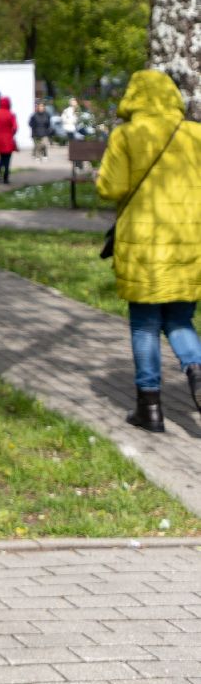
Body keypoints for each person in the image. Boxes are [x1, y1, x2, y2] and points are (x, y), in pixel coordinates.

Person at [96, 70, 201, 434]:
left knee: (144, 325)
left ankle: (150, 409)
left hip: (141, 246)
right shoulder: (195, 134)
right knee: (179, 320)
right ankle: (196, 368)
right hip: (188, 243)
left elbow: (110, 188)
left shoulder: (126, 135)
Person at [0, 96, 18, 184]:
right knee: (7, 158)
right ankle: (5, 177)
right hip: (8, 138)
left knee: (0, 157)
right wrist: (11, 133)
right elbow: (15, 127)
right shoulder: (11, 114)